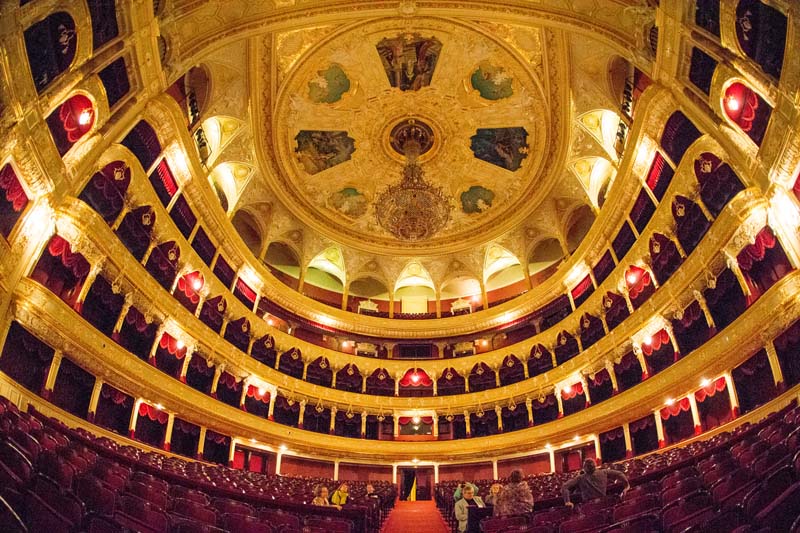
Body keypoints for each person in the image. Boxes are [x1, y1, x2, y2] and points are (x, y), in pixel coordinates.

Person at [561, 459, 630, 507]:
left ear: (584, 468)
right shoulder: (604, 472)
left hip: (588, 506)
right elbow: (620, 473)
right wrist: (627, 486)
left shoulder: (580, 477)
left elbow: (564, 487)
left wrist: (567, 501)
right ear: (595, 466)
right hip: (604, 503)